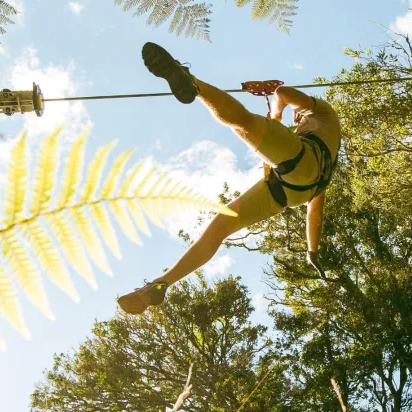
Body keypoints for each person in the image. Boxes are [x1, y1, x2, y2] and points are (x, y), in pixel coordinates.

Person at [118, 42, 341, 314]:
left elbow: (282, 92)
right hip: (292, 190)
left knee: (245, 122)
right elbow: (314, 213)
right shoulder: (325, 152)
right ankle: (159, 285)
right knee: (219, 227)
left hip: (297, 169)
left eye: (303, 115)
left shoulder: (326, 114)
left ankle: (191, 82)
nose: (300, 121)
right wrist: (312, 252)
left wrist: (279, 111)